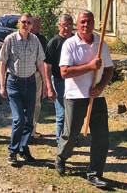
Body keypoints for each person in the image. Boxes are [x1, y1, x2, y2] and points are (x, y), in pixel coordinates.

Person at [55, 10, 114, 189]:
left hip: (97, 97)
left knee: (101, 136)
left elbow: (109, 69)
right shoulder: (70, 44)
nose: (85, 25)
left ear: (94, 22)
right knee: (72, 134)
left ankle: (94, 173)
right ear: (77, 25)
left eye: (88, 21)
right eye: (82, 22)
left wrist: (100, 87)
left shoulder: (100, 43)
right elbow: (64, 72)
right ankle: (61, 156)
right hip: (75, 96)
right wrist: (90, 66)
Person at [0, 13, 46, 166]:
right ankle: (12, 151)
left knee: (29, 120)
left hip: (31, 83)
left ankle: (23, 148)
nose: (26, 25)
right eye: (24, 22)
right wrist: (1, 85)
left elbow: (40, 63)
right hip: (14, 83)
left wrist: (45, 84)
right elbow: (2, 63)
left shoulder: (35, 40)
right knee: (19, 119)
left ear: (32, 25)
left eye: (29, 23)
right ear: (19, 23)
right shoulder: (10, 40)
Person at [43, 14, 74, 145]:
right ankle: (59, 141)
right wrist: (49, 87)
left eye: (69, 25)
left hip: (73, 82)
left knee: (73, 113)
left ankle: (70, 138)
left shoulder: (75, 40)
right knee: (61, 114)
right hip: (59, 81)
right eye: (63, 25)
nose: (66, 28)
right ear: (59, 26)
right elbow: (47, 67)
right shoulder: (53, 43)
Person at [31, 17, 48, 139]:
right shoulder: (22, 38)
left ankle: (32, 130)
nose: (39, 27)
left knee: (36, 104)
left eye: (39, 25)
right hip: (23, 76)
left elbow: (45, 60)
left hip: (37, 75)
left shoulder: (42, 39)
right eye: (37, 25)